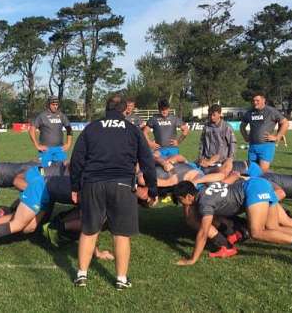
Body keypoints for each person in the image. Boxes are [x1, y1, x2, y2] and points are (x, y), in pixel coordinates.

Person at [70, 94, 158, 290]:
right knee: (120, 234)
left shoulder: (91, 128)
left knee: (89, 230)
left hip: (93, 184)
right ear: (124, 108)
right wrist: (152, 188)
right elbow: (147, 162)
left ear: (106, 108)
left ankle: (81, 275)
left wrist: (75, 187)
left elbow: (76, 160)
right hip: (123, 185)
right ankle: (121, 279)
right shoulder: (132, 130)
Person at [172, 178, 292, 268]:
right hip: (259, 183)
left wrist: (192, 259)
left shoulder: (204, 203)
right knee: (273, 227)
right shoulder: (205, 189)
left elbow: (204, 232)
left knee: (257, 232)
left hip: (252, 190)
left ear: (188, 196)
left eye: (181, 201)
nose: (183, 205)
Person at [240, 92, 289, 173]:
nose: (255, 102)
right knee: (251, 171)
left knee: (262, 172)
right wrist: (245, 136)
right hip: (252, 146)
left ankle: (269, 183)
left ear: (263, 100)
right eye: (253, 100)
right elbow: (242, 126)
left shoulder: (271, 111)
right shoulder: (249, 112)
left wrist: (277, 137)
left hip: (266, 146)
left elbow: (285, 123)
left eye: (257, 100)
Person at [29, 96, 72, 167]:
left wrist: (68, 144)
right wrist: (36, 145)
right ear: (48, 104)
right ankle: (42, 178)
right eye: (53, 104)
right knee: (42, 169)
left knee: (62, 169)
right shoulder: (42, 116)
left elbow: (69, 129)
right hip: (46, 150)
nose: (55, 106)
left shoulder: (61, 116)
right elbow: (31, 130)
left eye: (57, 105)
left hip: (59, 149)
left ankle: (60, 178)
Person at [144, 99, 189, 165]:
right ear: (159, 109)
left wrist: (178, 141)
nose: (164, 111)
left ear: (169, 108)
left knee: (176, 160)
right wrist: (150, 143)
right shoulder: (153, 119)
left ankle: (188, 163)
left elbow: (186, 129)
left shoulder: (174, 118)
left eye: (166, 109)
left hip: (172, 148)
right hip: (160, 149)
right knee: (153, 158)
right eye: (162, 109)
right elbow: (144, 132)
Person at [197, 104, 237, 175]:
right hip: (207, 160)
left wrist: (230, 158)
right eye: (210, 115)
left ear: (219, 114)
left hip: (221, 161)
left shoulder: (226, 127)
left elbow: (232, 143)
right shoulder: (206, 127)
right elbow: (202, 143)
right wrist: (200, 157)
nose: (211, 117)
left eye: (214, 115)